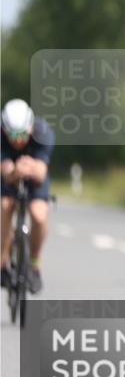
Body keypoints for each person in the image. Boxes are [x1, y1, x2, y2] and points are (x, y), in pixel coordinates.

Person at [1, 99, 55, 293]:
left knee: (39, 215)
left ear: (31, 128)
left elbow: (41, 173)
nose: (17, 140)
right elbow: (6, 173)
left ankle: (34, 264)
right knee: (5, 206)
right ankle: (3, 262)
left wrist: (29, 168)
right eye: (12, 135)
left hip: (34, 178)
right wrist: (16, 170)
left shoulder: (43, 132)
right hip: (8, 176)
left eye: (22, 134)